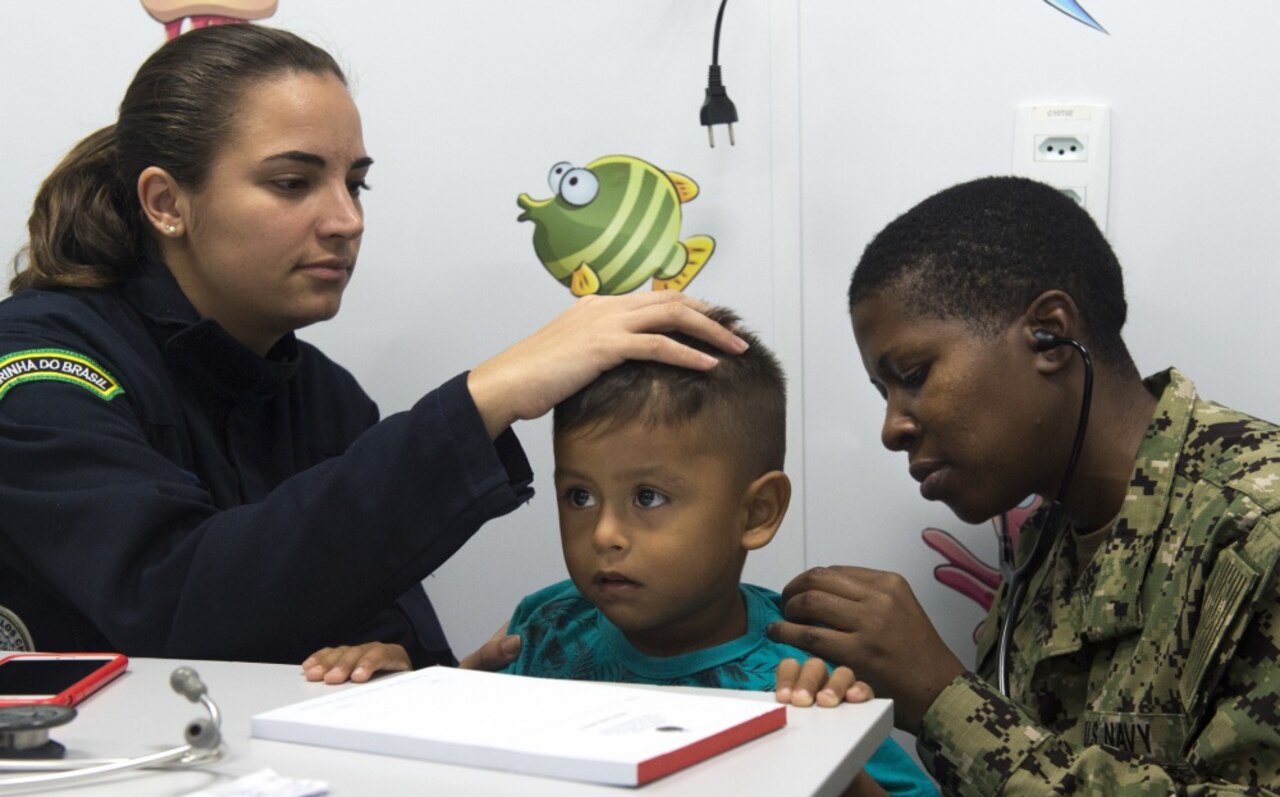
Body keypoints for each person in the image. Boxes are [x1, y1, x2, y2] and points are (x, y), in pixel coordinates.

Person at [0, 24, 745, 667]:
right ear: (167, 203)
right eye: (293, 182)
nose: (345, 219)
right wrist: (485, 397)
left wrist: (410, 669)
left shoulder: (323, 396)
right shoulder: (39, 362)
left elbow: (385, 627)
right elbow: (172, 598)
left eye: (355, 184)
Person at [768, 176, 1280, 795]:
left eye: (913, 375)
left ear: (1049, 334)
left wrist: (943, 698)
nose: (892, 428)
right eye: (885, 394)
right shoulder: (1045, 544)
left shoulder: (1259, 530)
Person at [309, 307, 937, 797]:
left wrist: (825, 761)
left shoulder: (805, 679)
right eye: (578, 496)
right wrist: (404, 696)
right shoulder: (548, 624)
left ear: (757, 512)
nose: (604, 532)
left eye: (648, 497)